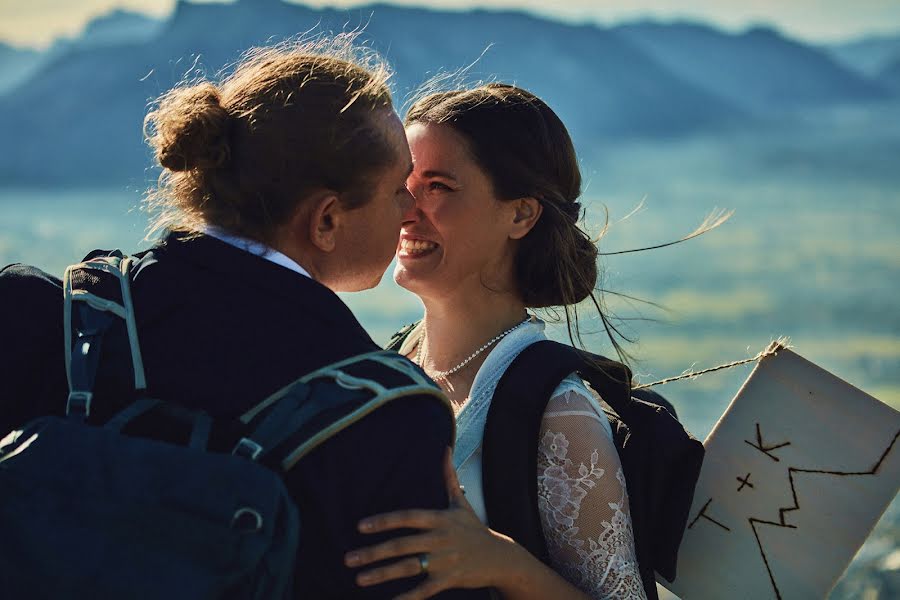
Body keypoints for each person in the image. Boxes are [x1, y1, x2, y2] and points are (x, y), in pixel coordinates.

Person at [0, 38, 487, 600]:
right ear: (326, 220)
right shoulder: (385, 422)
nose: (409, 212)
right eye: (397, 190)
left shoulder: (37, 315)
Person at [343, 84, 650, 600]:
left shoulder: (559, 416)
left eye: (437, 186)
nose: (405, 211)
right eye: (403, 184)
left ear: (520, 215)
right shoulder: (389, 365)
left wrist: (502, 562)